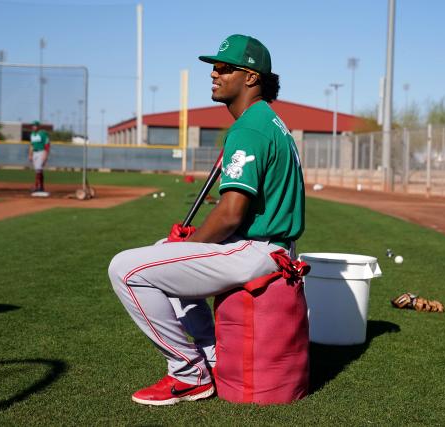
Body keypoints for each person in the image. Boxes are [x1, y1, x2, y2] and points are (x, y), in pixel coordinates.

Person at [108, 34, 305, 406]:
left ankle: (188, 374)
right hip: (267, 246)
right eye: (214, 67)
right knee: (161, 252)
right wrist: (187, 242)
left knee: (124, 269)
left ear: (251, 78)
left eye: (225, 68)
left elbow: (230, 214)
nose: (214, 74)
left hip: (258, 250)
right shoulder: (268, 121)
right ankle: (213, 358)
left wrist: (191, 242)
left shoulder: (249, 128)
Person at [28, 120, 50, 192]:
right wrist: (30, 155)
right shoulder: (32, 134)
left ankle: (36, 186)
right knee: (39, 171)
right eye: (33, 125)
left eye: (35, 125)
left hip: (41, 152)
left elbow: (47, 144)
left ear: (38, 126)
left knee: (38, 169)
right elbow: (31, 145)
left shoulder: (43, 134)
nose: (34, 127)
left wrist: (45, 154)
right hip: (35, 153)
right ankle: (41, 187)